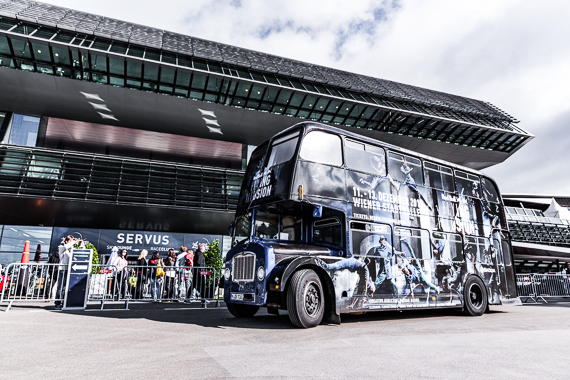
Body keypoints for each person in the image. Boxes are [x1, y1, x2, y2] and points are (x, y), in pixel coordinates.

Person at [54, 235, 76, 309]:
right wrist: (74, 242)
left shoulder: (72, 249)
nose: (72, 242)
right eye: (70, 241)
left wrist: (82, 246)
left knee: (66, 287)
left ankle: (65, 301)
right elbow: (67, 246)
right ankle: (57, 302)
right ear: (66, 241)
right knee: (60, 287)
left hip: (70, 270)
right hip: (63, 269)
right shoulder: (62, 248)